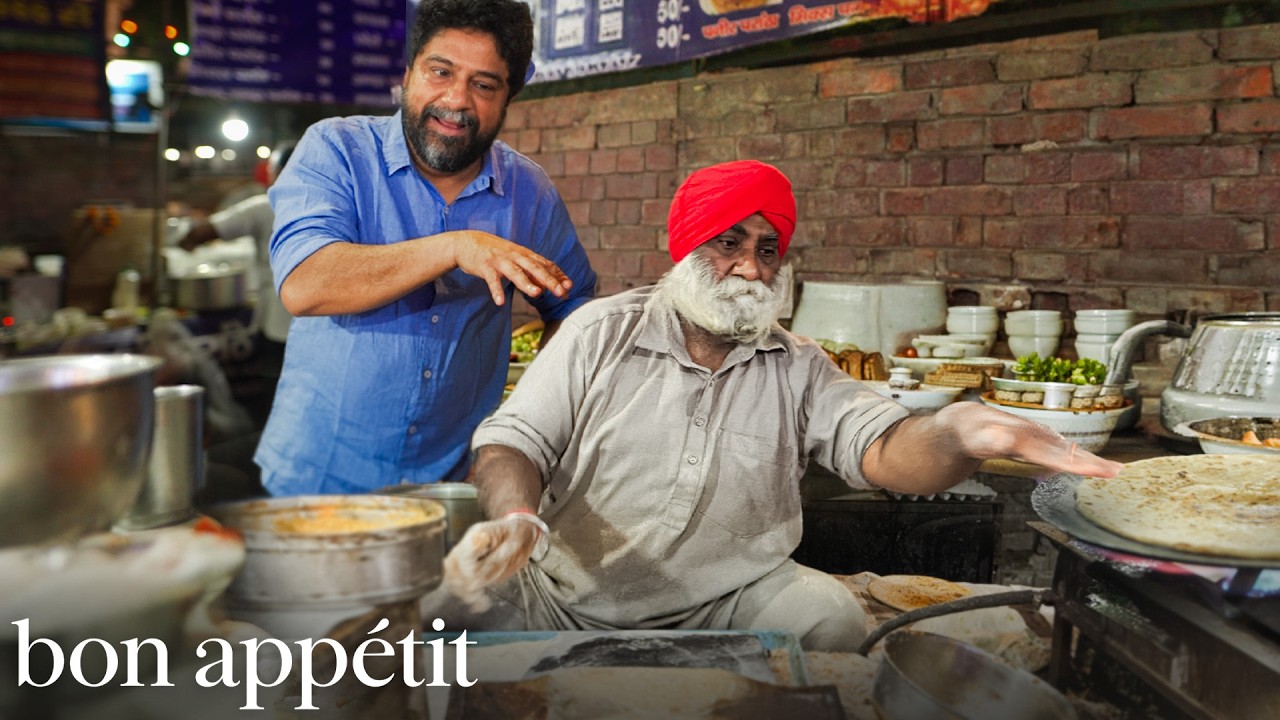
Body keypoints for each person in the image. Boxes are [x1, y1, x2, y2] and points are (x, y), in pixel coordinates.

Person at [433, 160, 1123, 651]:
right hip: (563, 596)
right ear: (686, 248)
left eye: (768, 249)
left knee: (833, 620)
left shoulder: (797, 364)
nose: (752, 267)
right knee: (434, 624)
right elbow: (511, 443)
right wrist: (517, 518)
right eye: (728, 243)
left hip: (728, 602)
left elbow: (883, 448)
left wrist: (958, 433)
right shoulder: (600, 331)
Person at [255, 0, 597, 495]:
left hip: (451, 486)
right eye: (440, 72)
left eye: (484, 85)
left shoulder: (529, 191)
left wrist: (527, 425)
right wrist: (455, 247)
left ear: (508, 98)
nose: (456, 100)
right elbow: (305, 284)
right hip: (319, 480)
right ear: (408, 74)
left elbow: (575, 307)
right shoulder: (336, 149)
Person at [178, 141, 297, 366]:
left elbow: (203, 233)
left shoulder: (265, 206)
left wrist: (183, 238)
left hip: (279, 324)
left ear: (277, 172)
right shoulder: (336, 209)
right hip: (323, 327)